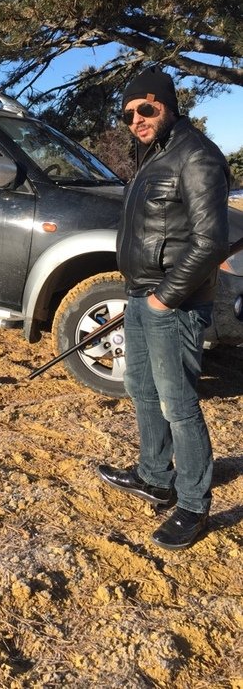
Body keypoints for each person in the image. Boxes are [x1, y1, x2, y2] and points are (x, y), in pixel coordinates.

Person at [97, 65, 230, 550]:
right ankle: (155, 476)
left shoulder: (196, 156)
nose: (136, 119)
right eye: (128, 114)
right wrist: (141, 293)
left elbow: (210, 241)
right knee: (141, 387)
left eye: (146, 108)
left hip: (173, 302)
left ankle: (193, 505)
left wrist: (161, 299)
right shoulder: (155, 155)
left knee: (178, 404)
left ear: (168, 106)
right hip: (141, 294)